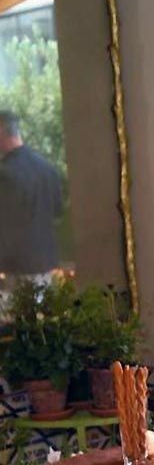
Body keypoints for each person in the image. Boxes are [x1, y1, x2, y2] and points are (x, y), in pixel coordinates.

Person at [0, 110, 63, 322]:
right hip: (45, 265)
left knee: (18, 327)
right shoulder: (47, 169)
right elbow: (57, 212)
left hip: (16, 269)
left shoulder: (5, 174)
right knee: (42, 327)